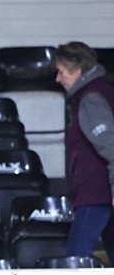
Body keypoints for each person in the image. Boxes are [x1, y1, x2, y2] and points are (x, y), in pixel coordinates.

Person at [55, 41, 114, 261]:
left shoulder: (90, 99)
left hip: (96, 194)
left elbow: (111, 146)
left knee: (75, 259)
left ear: (78, 71)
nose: (57, 79)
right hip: (103, 193)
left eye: (61, 72)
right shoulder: (101, 92)